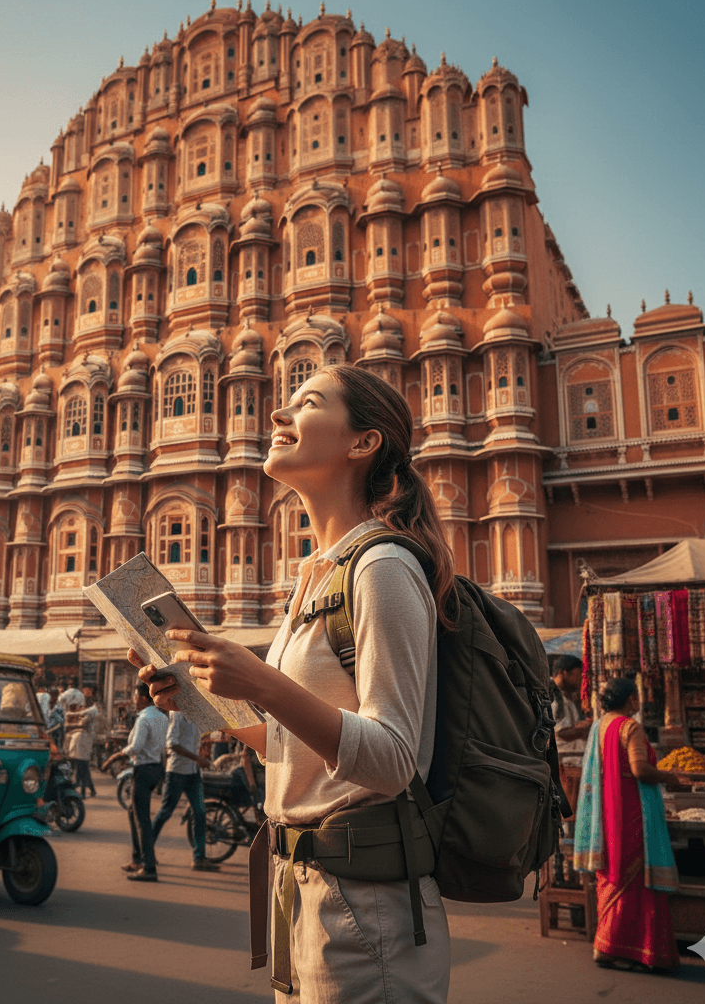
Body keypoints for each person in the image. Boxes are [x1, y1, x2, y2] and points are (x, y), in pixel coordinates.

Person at [135, 364, 455, 1001]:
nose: (278, 416)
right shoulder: (316, 575)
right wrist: (198, 704)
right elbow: (297, 752)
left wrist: (263, 681)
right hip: (300, 889)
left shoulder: (382, 568)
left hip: (365, 907)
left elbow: (393, 761)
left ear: (362, 444)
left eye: (305, 403)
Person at [574, 676, 683, 973]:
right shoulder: (629, 726)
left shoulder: (600, 726)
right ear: (630, 699)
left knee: (611, 876)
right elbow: (640, 770)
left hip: (605, 814)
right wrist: (670, 777)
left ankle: (605, 945)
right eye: (635, 698)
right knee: (635, 882)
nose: (638, 702)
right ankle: (631, 949)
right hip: (631, 812)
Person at [101, 683, 168, 882]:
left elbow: (136, 747)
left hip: (144, 769)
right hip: (155, 768)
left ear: (143, 698)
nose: (133, 699)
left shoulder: (144, 718)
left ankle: (149, 867)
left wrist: (115, 757)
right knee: (134, 813)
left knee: (142, 821)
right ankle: (137, 859)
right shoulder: (162, 717)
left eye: (135, 695)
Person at [151, 712, 220, 871]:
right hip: (177, 771)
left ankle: (199, 858)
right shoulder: (178, 713)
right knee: (166, 811)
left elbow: (194, 739)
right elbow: (172, 743)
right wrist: (198, 759)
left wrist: (202, 750)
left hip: (193, 772)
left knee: (200, 813)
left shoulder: (195, 713)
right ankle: (146, 851)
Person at [550, 654, 591, 756]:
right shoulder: (555, 697)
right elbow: (561, 733)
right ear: (563, 673)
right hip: (566, 757)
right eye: (577, 675)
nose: (580, 681)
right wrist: (586, 727)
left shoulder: (564, 696)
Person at [65, 686, 98, 797]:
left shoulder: (90, 712)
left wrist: (68, 724)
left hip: (84, 741)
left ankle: (82, 789)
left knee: (82, 767)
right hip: (83, 741)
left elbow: (82, 724)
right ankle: (89, 789)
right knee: (84, 767)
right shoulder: (87, 711)